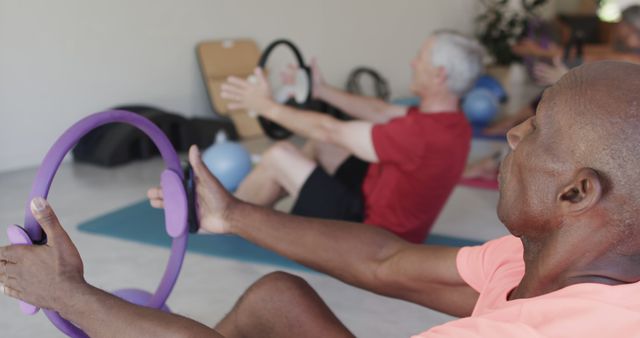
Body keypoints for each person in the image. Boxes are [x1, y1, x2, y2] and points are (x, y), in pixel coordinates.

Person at [4, 60, 640, 337]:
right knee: (279, 300)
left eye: (537, 128)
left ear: (578, 191)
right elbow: (388, 263)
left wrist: (66, 294)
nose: (512, 131)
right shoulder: (543, 261)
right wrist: (233, 214)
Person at [219, 30, 485, 243]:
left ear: (439, 75)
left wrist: (264, 106)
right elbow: (378, 110)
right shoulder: (452, 122)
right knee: (321, 145)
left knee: (280, 155)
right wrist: (320, 90)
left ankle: (225, 217)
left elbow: (330, 129)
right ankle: (258, 203)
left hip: (372, 238)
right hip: (378, 205)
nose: (412, 63)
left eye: (421, 58)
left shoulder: (420, 135)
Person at [463, 4, 640, 181]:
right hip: (611, 119)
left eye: (622, 24)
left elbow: (595, 58)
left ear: (632, 28)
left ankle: (499, 160)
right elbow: (594, 53)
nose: (617, 27)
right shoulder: (625, 50)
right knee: (556, 95)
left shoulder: (630, 58)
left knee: (556, 105)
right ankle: (501, 154)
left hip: (618, 129)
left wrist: (545, 56)